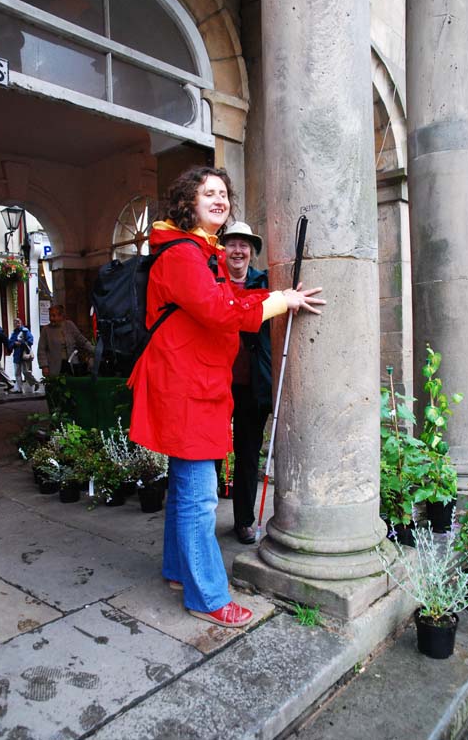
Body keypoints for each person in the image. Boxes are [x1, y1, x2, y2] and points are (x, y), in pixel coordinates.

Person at [127, 166, 325, 629]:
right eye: (207, 193)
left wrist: (273, 297)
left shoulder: (196, 251)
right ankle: (207, 595)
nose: (218, 199)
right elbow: (218, 310)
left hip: (191, 382)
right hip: (187, 386)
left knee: (185, 489)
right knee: (198, 497)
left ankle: (178, 571)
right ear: (187, 202)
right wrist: (279, 301)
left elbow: (222, 303)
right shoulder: (182, 253)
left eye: (223, 193)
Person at [221, 221, 272, 544]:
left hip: (252, 385)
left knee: (248, 454)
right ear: (222, 249)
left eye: (244, 245)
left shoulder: (265, 282)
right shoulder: (213, 282)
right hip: (216, 383)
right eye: (231, 244)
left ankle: (243, 520)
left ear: (251, 251)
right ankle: (201, 517)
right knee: (207, 453)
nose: (238, 250)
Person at [37, 304, 95, 378]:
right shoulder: (46, 330)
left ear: (61, 316)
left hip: (71, 365)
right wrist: (44, 366)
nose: (51, 318)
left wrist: (95, 350)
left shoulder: (70, 325)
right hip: (54, 366)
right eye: (50, 316)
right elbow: (41, 350)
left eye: (54, 316)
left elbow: (82, 340)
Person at [8, 317, 41, 393]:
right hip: (16, 355)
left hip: (24, 354)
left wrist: (21, 343)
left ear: (21, 323)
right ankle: (19, 389)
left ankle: (35, 382)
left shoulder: (25, 331)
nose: (17, 324)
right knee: (17, 373)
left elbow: (30, 341)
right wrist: (14, 344)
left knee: (25, 372)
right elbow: (10, 343)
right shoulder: (14, 333)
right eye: (15, 323)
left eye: (18, 323)